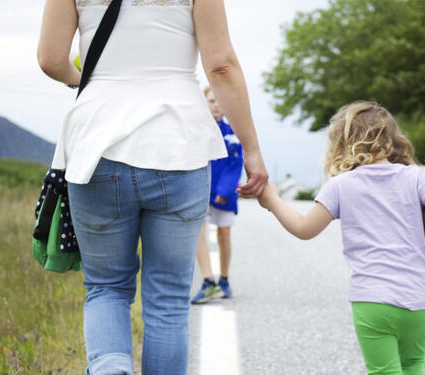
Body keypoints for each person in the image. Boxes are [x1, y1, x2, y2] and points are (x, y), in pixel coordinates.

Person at [37, 1, 268, 374]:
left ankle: (111, 368)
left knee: (106, 288)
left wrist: (89, 82)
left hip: (97, 147)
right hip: (179, 144)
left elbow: (50, 59)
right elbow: (220, 65)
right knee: (168, 300)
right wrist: (251, 150)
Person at [258, 102, 425, 375]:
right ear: (391, 140)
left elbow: (304, 228)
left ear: (342, 142)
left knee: (383, 371)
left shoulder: (341, 185)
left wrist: (273, 201)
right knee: (414, 364)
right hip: (418, 298)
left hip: (373, 299)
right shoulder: (414, 176)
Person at [191, 87, 243, 304]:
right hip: (201, 191)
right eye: (211, 100)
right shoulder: (196, 129)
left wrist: (224, 191)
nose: (216, 105)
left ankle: (223, 278)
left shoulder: (231, 134)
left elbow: (235, 164)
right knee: (199, 232)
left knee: (224, 235)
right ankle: (207, 280)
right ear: (204, 102)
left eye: (219, 101)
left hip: (225, 194)